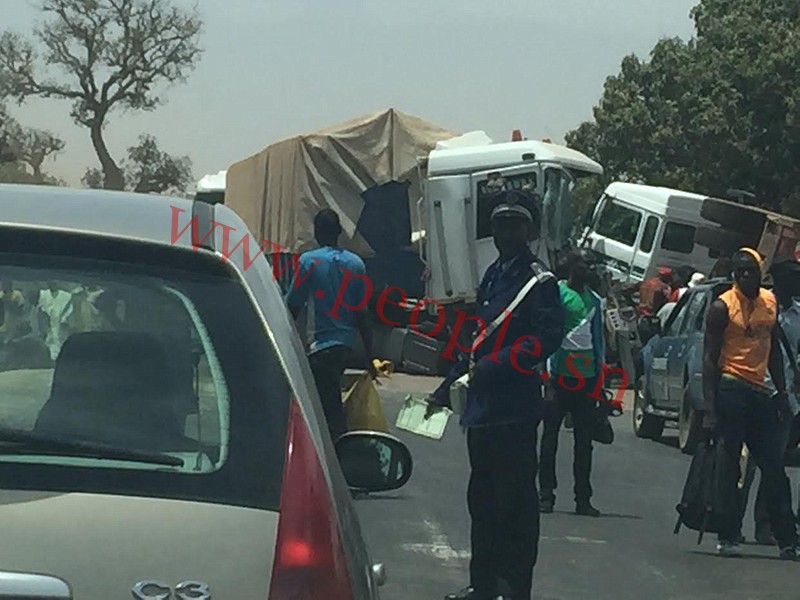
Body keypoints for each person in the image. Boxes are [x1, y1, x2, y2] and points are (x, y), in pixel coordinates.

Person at [427, 192, 565, 600]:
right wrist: (444, 386)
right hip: (482, 411)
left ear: (529, 230)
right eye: (500, 224)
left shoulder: (539, 282)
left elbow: (545, 338)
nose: (505, 231)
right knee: (482, 504)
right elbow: (475, 342)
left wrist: (497, 365)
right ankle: (483, 585)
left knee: (515, 506)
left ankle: (512, 587)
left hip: (514, 410)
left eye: (514, 224)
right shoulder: (492, 275)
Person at [702, 247, 800, 559]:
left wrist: (782, 394)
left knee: (773, 467)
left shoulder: (769, 302)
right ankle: (728, 535)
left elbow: (771, 351)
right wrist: (709, 408)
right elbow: (709, 359)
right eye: (740, 272)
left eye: (751, 271)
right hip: (731, 388)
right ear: (734, 276)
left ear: (760, 273)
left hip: (761, 393)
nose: (746, 276)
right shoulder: (722, 307)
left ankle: (788, 539)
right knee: (730, 467)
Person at [285, 208, 376, 442]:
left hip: (320, 346)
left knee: (321, 406)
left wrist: (282, 338)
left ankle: (334, 451)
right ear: (338, 232)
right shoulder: (356, 264)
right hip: (346, 346)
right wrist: (370, 355)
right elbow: (362, 314)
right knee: (329, 396)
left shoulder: (308, 261)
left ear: (317, 232)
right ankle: (337, 444)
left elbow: (294, 304)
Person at [733, 257, 800, 545]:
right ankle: (732, 525)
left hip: (783, 402)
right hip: (751, 393)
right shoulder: (759, 308)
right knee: (742, 470)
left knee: (772, 470)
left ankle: (765, 527)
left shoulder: (798, 317)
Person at [539, 249, 606, 517]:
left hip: (586, 380)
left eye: (593, 265)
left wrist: (600, 380)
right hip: (558, 377)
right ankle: (546, 495)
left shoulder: (596, 301)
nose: (590, 269)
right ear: (573, 266)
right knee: (549, 440)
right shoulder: (556, 293)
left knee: (584, 442)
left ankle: (583, 498)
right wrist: (543, 372)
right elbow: (546, 330)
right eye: (586, 264)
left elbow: (598, 341)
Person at [37, 281, 74, 361]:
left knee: (61, 341)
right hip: (49, 324)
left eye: (55, 282)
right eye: (51, 282)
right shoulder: (43, 294)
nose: (53, 284)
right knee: (50, 341)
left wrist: (65, 319)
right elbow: (41, 309)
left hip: (61, 323)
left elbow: (69, 309)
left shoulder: (66, 296)